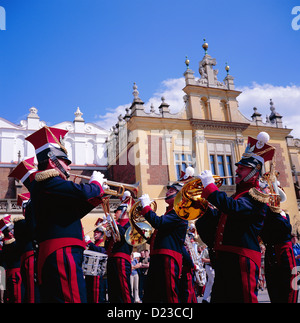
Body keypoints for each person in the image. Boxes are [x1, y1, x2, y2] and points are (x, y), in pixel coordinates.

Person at [25, 126, 106, 303]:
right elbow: (84, 193)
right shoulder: (48, 181)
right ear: (53, 161)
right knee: (73, 298)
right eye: (65, 162)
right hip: (62, 251)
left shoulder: (50, 187)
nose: (68, 167)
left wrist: (97, 196)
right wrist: (96, 185)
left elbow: (73, 212)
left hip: (59, 250)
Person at [196, 132, 274, 303]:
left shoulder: (256, 195)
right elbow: (220, 218)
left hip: (242, 258)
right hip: (226, 259)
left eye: (243, 168)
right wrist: (203, 208)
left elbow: (235, 209)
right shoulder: (237, 196)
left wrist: (210, 188)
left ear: (255, 172)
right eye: (238, 167)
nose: (237, 170)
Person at [139, 182, 188, 303]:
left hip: (168, 257)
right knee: (151, 294)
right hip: (158, 257)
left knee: (169, 294)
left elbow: (158, 223)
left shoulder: (179, 212)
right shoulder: (169, 213)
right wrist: (139, 229)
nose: (167, 193)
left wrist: (146, 208)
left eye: (171, 191)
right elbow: (156, 239)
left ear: (179, 195)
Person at [259, 177, 298, 303]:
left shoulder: (282, 215)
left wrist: (274, 210)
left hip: (284, 254)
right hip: (271, 256)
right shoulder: (263, 213)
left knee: (289, 289)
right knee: (274, 290)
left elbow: (285, 229)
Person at [105, 193, 134, 303]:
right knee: (113, 290)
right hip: (112, 259)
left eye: (116, 212)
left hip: (122, 260)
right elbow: (108, 247)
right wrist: (108, 236)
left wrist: (115, 224)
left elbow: (123, 236)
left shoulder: (129, 226)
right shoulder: (117, 226)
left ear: (123, 212)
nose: (115, 214)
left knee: (124, 290)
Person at [85, 226, 107, 303]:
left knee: (96, 293)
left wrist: (89, 243)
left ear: (101, 234)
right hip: (90, 270)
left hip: (97, 271)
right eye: (94, 233)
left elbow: (101, 251)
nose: (95, 234)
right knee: (89, 291)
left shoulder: (102, 242)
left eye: (97, 233)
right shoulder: (95, 243)